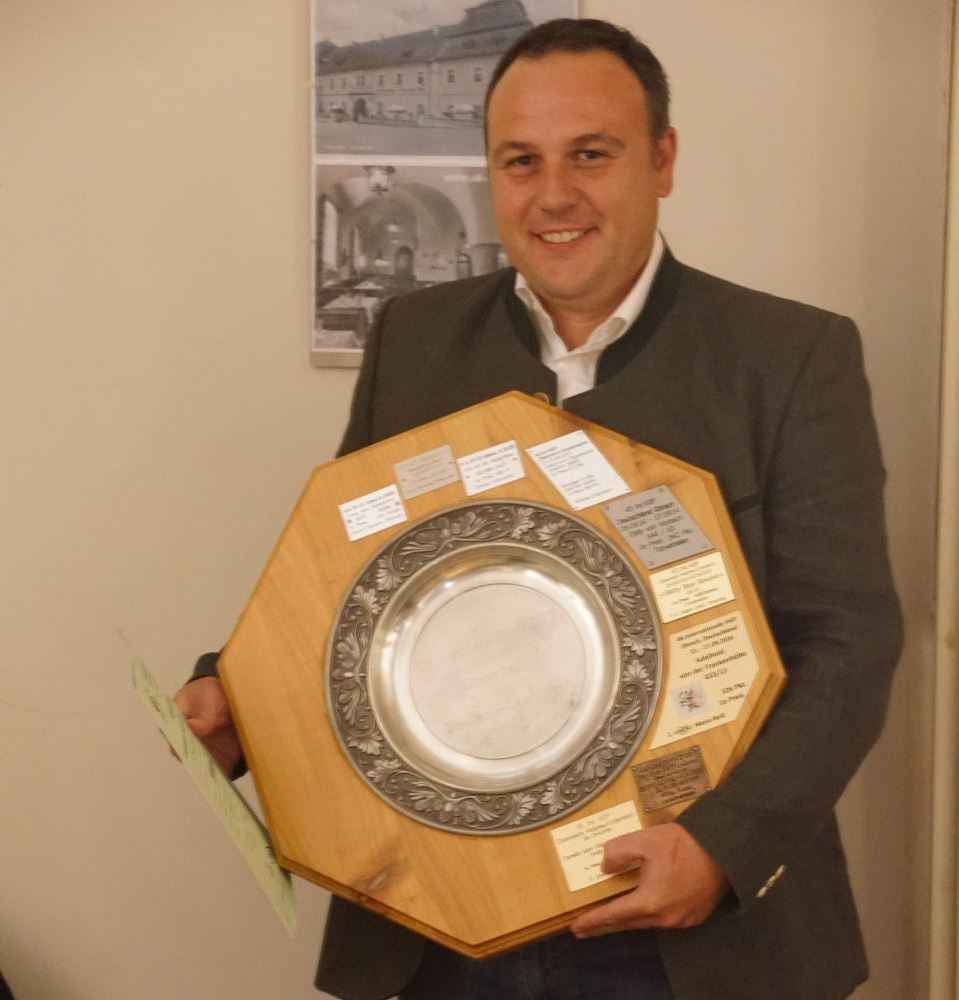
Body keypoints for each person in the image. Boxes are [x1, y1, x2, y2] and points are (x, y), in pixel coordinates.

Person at [175, 18, 903, 1000]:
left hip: (690, 936)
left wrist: (724, 845)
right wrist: (236, 694)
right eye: (520, 161)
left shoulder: (789, 356)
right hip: (439, 927)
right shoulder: (414, 340)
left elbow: (847, 642)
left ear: (662, 159)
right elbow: (341, 584)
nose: (553, 194)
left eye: (589, 154)